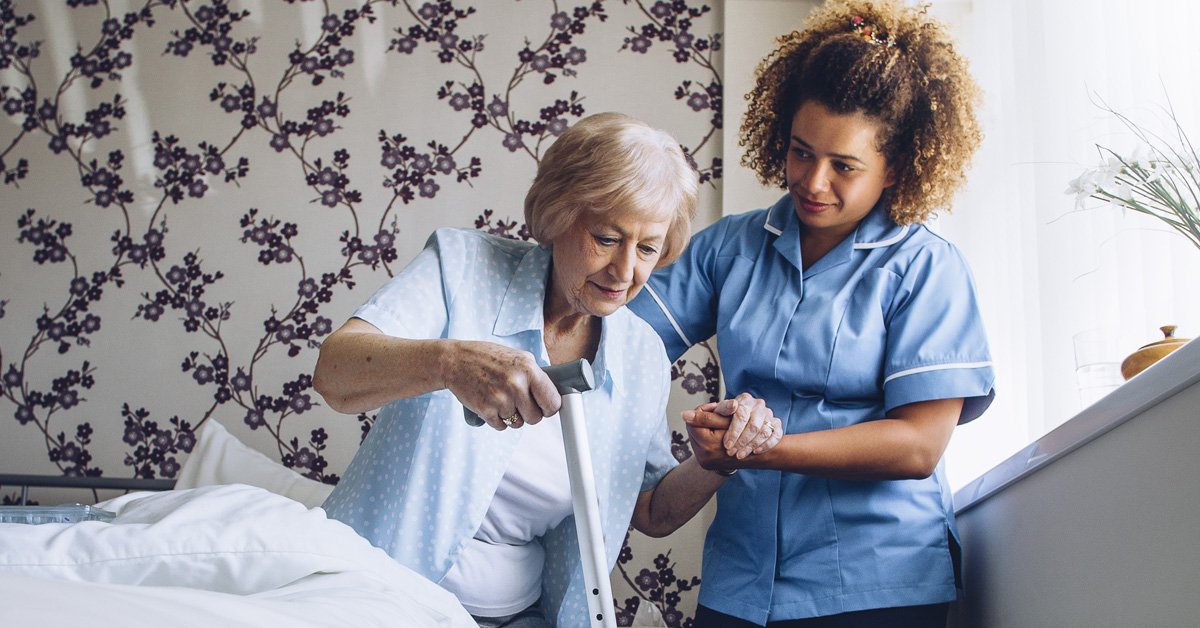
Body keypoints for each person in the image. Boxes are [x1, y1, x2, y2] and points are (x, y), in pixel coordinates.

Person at [313, 112, 781, 628]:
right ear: (558, 215)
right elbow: (334, 373)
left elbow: (649, 509)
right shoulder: (461, 267)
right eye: (606, 237)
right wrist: (446, 362)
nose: (625, 272)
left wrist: (722, 458)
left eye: (647, 248)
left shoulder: (641, 353)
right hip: (381, 600)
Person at [626, 1, 995, 626]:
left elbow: (917, 446)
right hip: (741, 582)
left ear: (896, 168)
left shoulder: (926, 267)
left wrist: (764, 448)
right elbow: (620, 340)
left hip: (882, 583)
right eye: (801, 153)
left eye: (843, 166)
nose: (813, 181)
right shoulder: (730, 247)